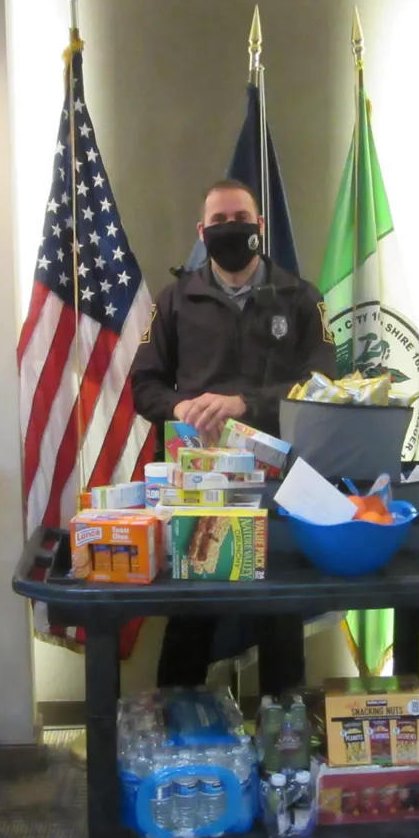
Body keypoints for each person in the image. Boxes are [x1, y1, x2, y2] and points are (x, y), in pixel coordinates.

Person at [131, 179, 337, 695]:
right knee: (190, 620)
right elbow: (143, 386)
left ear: (260, 225)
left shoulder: (301, 298)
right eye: (218, 222)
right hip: (201, 489)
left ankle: (281, 749)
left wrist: (248, 404)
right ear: (202, 232)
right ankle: (178, 741)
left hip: (278, 489)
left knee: (279, 622)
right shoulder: (176, 299)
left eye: (240, 217)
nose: (231, 228)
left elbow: (324, 386)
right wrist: (181, 406)